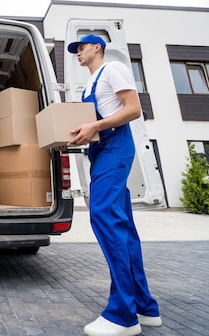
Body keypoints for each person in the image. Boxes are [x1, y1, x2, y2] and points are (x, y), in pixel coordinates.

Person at [66, 35, 162, 336]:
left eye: (82, 47)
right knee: (123, 228)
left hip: (116, 148)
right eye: (75, 50)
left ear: (98, 47)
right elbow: (91, 126)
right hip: (101, 152)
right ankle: (145, 307)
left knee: (103, 216)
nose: (78, 53)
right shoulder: (89, 85)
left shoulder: (113, 69)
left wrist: (95, 125)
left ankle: (122, 315)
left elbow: (133, 109)